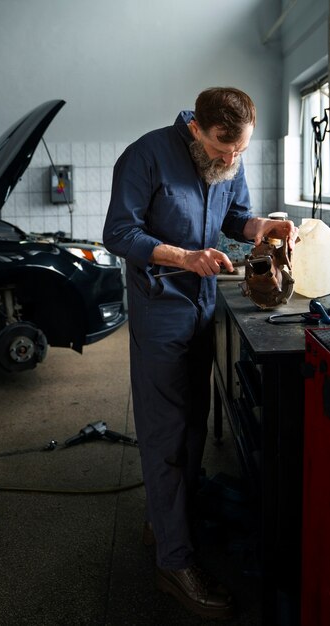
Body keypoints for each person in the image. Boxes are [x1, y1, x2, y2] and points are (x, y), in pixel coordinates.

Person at [102, 87, 297, 619]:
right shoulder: (146, 155)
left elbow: (237, 218)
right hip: (161, 303)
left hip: (203, 304)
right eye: (222, 148)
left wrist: (263, 227)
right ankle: (175, 563)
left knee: (193, 423)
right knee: (166, 430)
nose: (231, 159)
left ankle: (167, 523)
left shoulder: (231, 156)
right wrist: (185, 257)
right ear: (196, 129)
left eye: (239, 151)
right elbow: (118, 232)